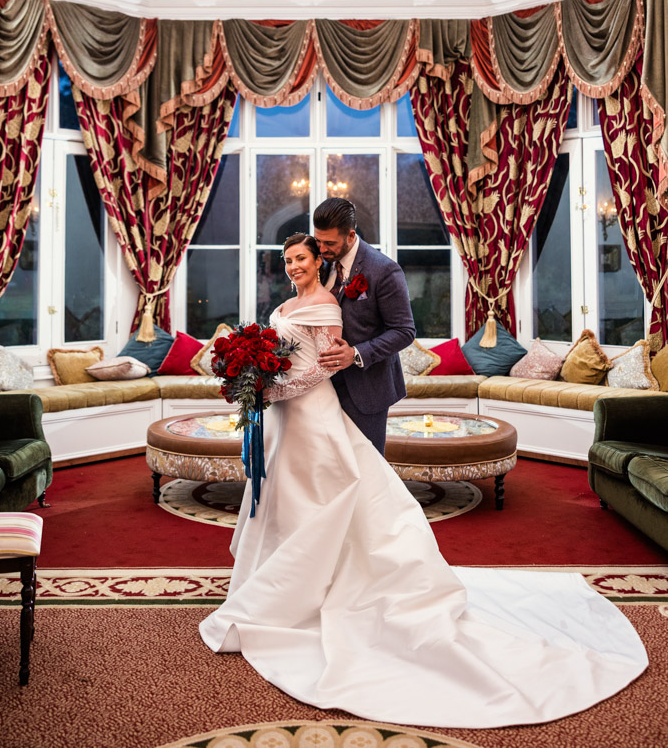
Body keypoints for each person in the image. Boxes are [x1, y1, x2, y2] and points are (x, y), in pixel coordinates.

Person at [199, 233, 647, 729]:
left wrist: (267, 388)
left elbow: (320, 371)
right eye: (286, 261)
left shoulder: (326, 302)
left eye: (300, 258)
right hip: (287, 417)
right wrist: (258, 379)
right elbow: (285, 354)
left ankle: (320, 584)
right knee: (287, 498)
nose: (292, 267)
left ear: (317, 259)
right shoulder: (287, 303)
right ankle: (282, 580)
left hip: (309, 411)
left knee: (328, 493)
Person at [312, 197, 415, 454]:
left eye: (329, 243)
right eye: (318, 241)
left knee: (365, 469)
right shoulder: (320, 264)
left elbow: (404, 331)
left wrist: (355, 354)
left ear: (350, 235)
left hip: (367, 389)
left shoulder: (384, 270)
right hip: (321, 388)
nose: (322, 249)